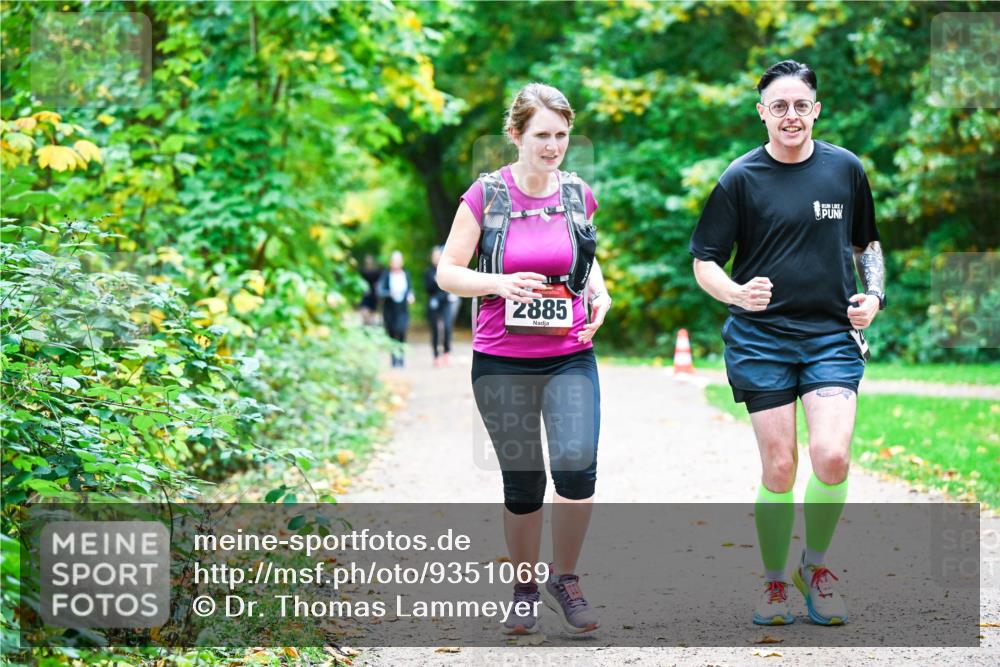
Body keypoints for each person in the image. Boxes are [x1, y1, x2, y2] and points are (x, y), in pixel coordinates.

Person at [690, 60, 884, 627]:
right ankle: (774, 581)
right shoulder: (740, 178)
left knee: (832, 456)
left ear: (816, 110)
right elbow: (704, 261)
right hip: (760, 340)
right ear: (762, 113)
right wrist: (735, 293)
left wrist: (873, 296)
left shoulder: (845, 169)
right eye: (779, 106)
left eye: (801, 105)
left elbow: (867, 244)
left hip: (830, 336)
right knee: (779, 466)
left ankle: (814, 567)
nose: (791, 115)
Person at [437, 83, 613, 636]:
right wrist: (500, 283)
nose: (553, 146)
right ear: (515, 135)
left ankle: (567, 579)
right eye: (541, 135)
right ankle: (524, 590)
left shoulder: (578, 193)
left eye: (561, 135)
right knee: (524, 480)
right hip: (502, 358)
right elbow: (448, 273)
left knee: (577, 469)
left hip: (569, 354)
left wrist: (600, 292)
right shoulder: (486, 196)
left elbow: (585, 257)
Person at [377, 251, 415, 367]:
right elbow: (380, 291)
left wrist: (410, 295)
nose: (396, 263)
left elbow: (410, 289)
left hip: (402, 309)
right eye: (394, 261)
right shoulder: (386, 275)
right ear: (390, 263)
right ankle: (393, 359)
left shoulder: (406, 274)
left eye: (398, 261)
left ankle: (401, 358)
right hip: (389, 310)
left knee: (401, 331)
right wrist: (390, 294)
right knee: (392, 333)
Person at [424, 245, 453, 367]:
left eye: (438, 255)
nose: (436, 258)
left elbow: (450, 286)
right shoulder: (428, 272)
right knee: (435, 329)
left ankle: (446, 351)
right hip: (434, 304)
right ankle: (436, 355)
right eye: (434, 256)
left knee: (447, 326)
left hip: (446, 302)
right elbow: (427, 288)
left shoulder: (446, 271)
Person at [358, 254, 382, 326]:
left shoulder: (376, 271)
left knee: (372, 312)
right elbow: (358, 280)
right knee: (364, 310)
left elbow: (379, 281)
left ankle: (370, 324)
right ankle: (366, 323)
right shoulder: (362, 270)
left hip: (373, 293)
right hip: (364, 293)